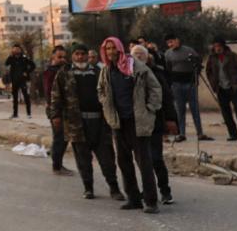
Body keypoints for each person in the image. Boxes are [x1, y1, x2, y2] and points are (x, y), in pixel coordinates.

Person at [97, 36, 162, 213]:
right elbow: (101, 90)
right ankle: (133, 199)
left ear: (120, 49)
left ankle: (151, 201)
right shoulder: (106, 70)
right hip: (118, 123)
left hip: (137, 121)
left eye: (113, 48)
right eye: (107, 48)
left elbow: (155, 87)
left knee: (144, 163)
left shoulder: (136, 66)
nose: (111, 52)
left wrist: (150, 108)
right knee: (124, 162)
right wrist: (105, 105)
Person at [47, 45, 121, 200]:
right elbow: (55, 97)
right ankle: (88, 188)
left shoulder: (98, 72)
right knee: (83, 159)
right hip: (76, 124)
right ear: (72, 56)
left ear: (88, 56)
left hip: (100, 123)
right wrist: (55, 116)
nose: (80, 57)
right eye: (77, 54)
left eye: (83, 54)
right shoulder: (64, 74)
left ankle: (114, 188)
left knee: (107, 158)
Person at [131, 43, 175, 206]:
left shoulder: (156, 73)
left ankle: (165, 190)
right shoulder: (128, 73)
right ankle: (149, 191)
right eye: (135, 54)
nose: (138, 57)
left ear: (147, 56)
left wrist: (171, 120)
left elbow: (167, 98)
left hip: (154, 122)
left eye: (141, 54)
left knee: (156, 158)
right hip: (136, 124)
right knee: (142, 160)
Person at [205, 38, 237, 142]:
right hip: (221, 89)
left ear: (223, 46)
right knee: (226, 114)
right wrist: (213, 84)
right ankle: (233, 134)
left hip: (234, 88)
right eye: (215, 46)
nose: (217, 48)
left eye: (219, 46)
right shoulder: (212, 58)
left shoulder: (232, 56)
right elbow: (208, 72)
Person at [161, 34, 206, 142]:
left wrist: (195, 76)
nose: (170, 44)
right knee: (179, 110)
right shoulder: (167, 54)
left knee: (194, 109)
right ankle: (182, 134)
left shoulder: (189, 50)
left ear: (177, 40)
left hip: (190, 84)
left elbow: (198, 64)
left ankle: (200, 133)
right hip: (176, 85)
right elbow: (168, 69)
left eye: (172, 41)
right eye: (168, 43)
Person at [39, 46, 73, 174]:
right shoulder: (50, 72)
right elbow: (49, 95)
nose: (62, 59)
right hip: (56, 110)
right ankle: (57, 166)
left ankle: (58, 164)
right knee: (60, 138)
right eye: (59, 57)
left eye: (64, 57)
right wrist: (55, 115)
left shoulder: (64, 70)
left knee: (63, 138)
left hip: (65, 109)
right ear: (53, 57)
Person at [5, 45, 35, 118]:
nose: (16, 51)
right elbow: (6, 63)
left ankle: (29, 113)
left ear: (20, 50)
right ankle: (15, 114)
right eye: (14, 49)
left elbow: (33, 65)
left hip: (23, 80)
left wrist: (27, 72)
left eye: (17, 49)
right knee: (15, 98)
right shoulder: (12, 58)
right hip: (14, 81)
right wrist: (10, 55)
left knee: (26, 96)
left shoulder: (24, 58)